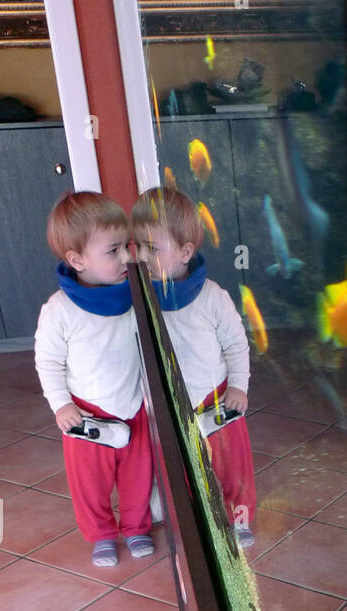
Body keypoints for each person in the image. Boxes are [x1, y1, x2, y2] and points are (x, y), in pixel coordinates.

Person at [131, 187, 257, 547]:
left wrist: (239, 386)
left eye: (152, 248)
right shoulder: (138, 296)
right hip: (168, 406)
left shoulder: (213, 297)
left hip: (215, 400)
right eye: (137, 245)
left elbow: (235, 343)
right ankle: (189, 519)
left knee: (234, 468)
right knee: (179, 470)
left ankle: (240, 517)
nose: (142, 255)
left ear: (185, 252)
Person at [35, 191, 154, 567]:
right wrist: (61, 405)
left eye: (126, 248)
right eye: (113, 251)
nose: (126, 258)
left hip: (133, 406)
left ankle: (136, 526)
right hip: (87, 415)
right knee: (90, 483)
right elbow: (48, 362)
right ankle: (101, 534)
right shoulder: (60, 310)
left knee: (138, 475)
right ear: (77, 260)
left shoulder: (133, 294)